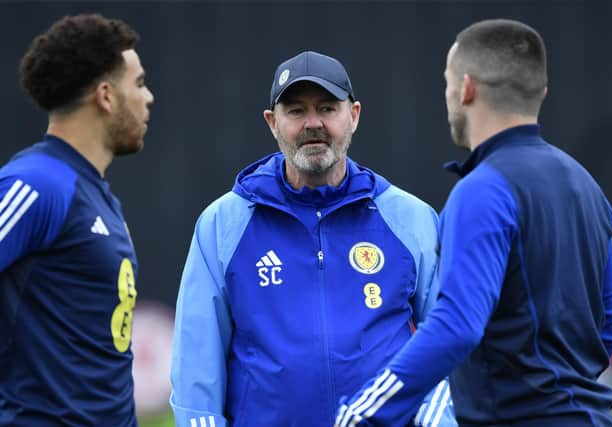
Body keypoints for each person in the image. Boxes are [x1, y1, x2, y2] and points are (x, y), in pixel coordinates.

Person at [335, 19, 612, 427]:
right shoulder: (587, 186)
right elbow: (608, 328)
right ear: (539, 92)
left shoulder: (482, 191)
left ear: (466, 88)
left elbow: (456, 327)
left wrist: (364, 413)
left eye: (447, 82)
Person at [170, 51, 456, 427]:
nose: (313, 124)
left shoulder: (410, 217)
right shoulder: (223, 223)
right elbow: (196, 368)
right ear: (272, 123)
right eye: (295, 111)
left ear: (353, 115)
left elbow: (449, 339)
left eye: (326, 108)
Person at [0, 14, 154, 426]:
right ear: (105, 95)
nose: (149, 98)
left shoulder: (96, 195)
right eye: (138, 84)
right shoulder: (36, 183)